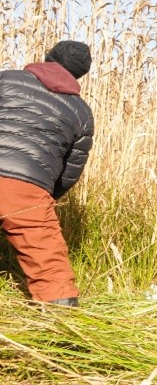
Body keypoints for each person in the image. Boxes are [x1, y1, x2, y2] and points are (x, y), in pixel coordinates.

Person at [0, 41, 94, 307]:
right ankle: (63, 333)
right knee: (49, 266)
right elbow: (70, 171)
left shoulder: (6, 79)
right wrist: (43, 198)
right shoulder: (81, 112)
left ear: (48, 57)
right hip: (26, 188)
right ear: (78, 74)